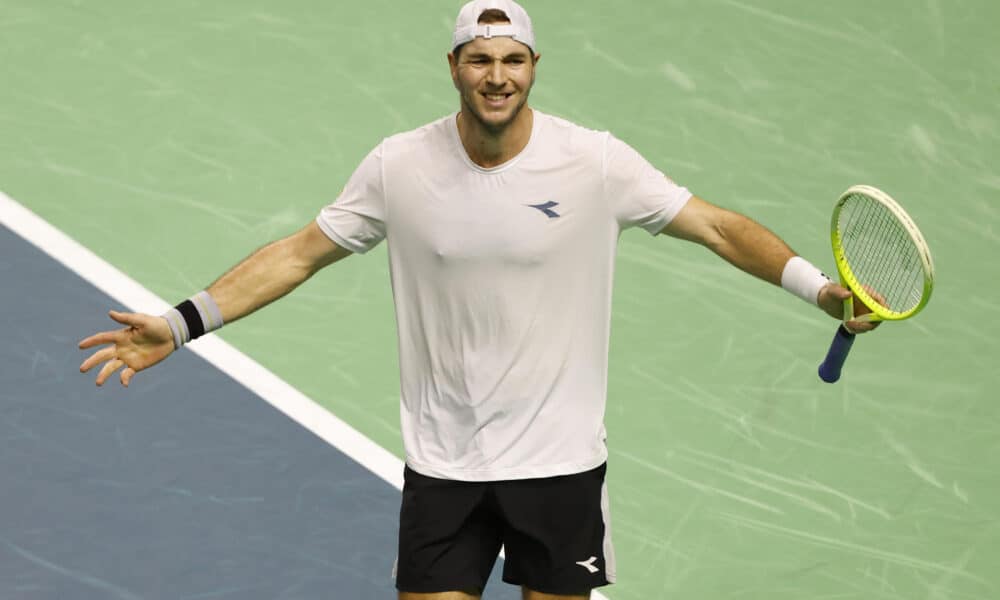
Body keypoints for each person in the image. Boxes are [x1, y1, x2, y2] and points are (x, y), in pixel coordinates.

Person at [78, 1, 879, 598]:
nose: (497, 76)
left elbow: (717, 227)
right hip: (445, 464)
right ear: (453, 65)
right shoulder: (398, 166)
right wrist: (182, 324)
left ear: (534, 66)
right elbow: (299, 254)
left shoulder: (595, 164)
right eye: (479, 59)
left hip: (560, 464)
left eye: (513, 59)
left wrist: (817, 288)